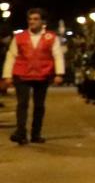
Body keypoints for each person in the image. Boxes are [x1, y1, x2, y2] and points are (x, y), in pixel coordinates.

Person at [5, 8, 65, 144]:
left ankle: (35, 134)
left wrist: (59, 73)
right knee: (22, 104)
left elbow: (58, 55)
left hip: (42, 75)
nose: (32, 22)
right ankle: (20, 132)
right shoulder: (19, 37)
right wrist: (7, 75)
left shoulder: (51, 37)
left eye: (36, 19)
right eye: (30, 19)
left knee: (39, 105)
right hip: (22, 74)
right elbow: (11, 56)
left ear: (42, 22)